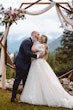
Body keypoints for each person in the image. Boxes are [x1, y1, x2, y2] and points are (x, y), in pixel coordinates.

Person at [20, 35, 73, 109]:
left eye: (40, 38)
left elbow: (32, 50)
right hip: (41, 63)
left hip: (37, 63)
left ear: (41, 40)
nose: (38, 38)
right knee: (41, 79)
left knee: (36, 79)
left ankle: (36, 96)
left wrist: (34, 42)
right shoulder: (45, 46)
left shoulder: (41, 45)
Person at [11, 31, 44, 102]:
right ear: (34, 35)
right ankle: (13, 98)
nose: (39, 36)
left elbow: (32, 50)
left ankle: (25, 98)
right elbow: (27, 53)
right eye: (38, 34)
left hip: (26, 64)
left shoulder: (31, 42)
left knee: (25, 81)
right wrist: (38, 56)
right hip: (21, 64)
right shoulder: (27, 41)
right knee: (17, 80)